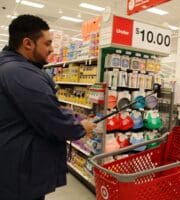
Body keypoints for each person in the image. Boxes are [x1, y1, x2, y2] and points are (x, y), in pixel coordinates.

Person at [0, 15, 96, 200]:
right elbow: (51, 120)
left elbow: (30, 110)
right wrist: (79, 127)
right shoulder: (20, 73)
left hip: (12, 164)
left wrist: (62, 111)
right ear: (28, 43)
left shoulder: (9, 67)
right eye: (47, 43)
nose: (52, 49)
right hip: (19, 174)